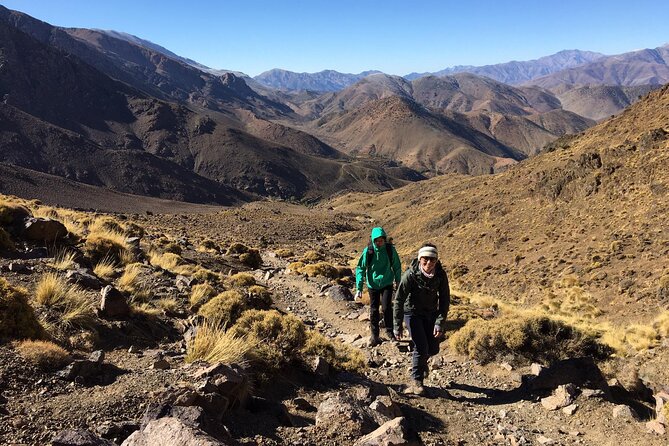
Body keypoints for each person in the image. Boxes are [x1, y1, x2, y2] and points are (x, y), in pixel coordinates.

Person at [393, 243, 450, 396]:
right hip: (412, 313)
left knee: (433, 348)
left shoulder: (440, 275)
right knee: (421, 346)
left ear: (436, 261)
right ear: (420, 259)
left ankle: (422, 361)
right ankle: (417, 382)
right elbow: (398, 300)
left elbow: (445, 299)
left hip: (430, 313)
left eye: (432, 260)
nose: (428, 263)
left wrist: (440, 321)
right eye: (425, 259)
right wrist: (397, 325)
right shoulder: (410, 275)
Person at [355, 227, 402, 346]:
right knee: (374, 309)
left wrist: (398, 282)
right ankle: (374, 335)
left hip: (387, 282)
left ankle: (390, 333)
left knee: (387, 308)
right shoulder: (368, 251)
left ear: (384, 239)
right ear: (373, 240)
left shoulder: (390, 250)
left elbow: (396, 266)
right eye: (377, 240)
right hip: (373, 284)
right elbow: (360, 268)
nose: (379, 242)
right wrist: (359, 288)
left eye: (381, 240)